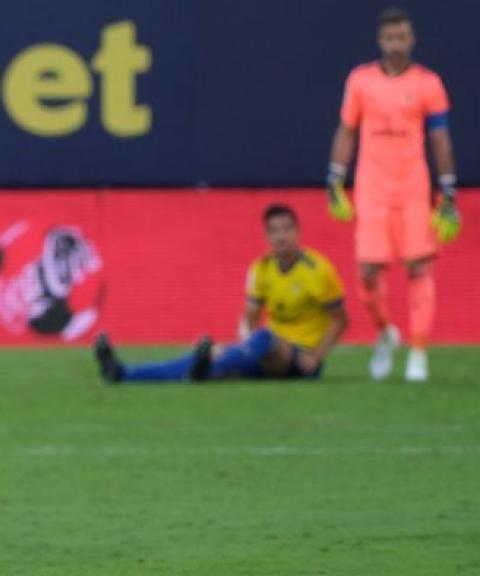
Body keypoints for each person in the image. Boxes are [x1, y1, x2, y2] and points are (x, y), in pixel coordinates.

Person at [325, 6, 461, 382]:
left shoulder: (428, 84)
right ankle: (386, 333)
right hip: (372, 188)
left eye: (402, 37)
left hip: (413, 187)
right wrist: (335, 178)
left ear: (412, 39)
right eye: (390, 38)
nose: (396, 44)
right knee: (368, 272)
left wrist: (448, 192)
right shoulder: (361, 81)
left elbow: (439, 138)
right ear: (380, 40)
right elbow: (347, 130)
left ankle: (418, 352)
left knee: (419, 265)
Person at [95, 204, 347, 383]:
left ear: (297, 232)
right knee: (210, 357)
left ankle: (207, 366)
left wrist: (316, 356)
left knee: (262, 338)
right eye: (274, 231)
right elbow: (250, 314)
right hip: (265, 352)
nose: (281, 237)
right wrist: (243, 346)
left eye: (286, 229)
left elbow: (340, 319)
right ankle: (123, 373)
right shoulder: (262, 268)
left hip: (299, 359)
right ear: (267, 235)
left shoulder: (318, 270)